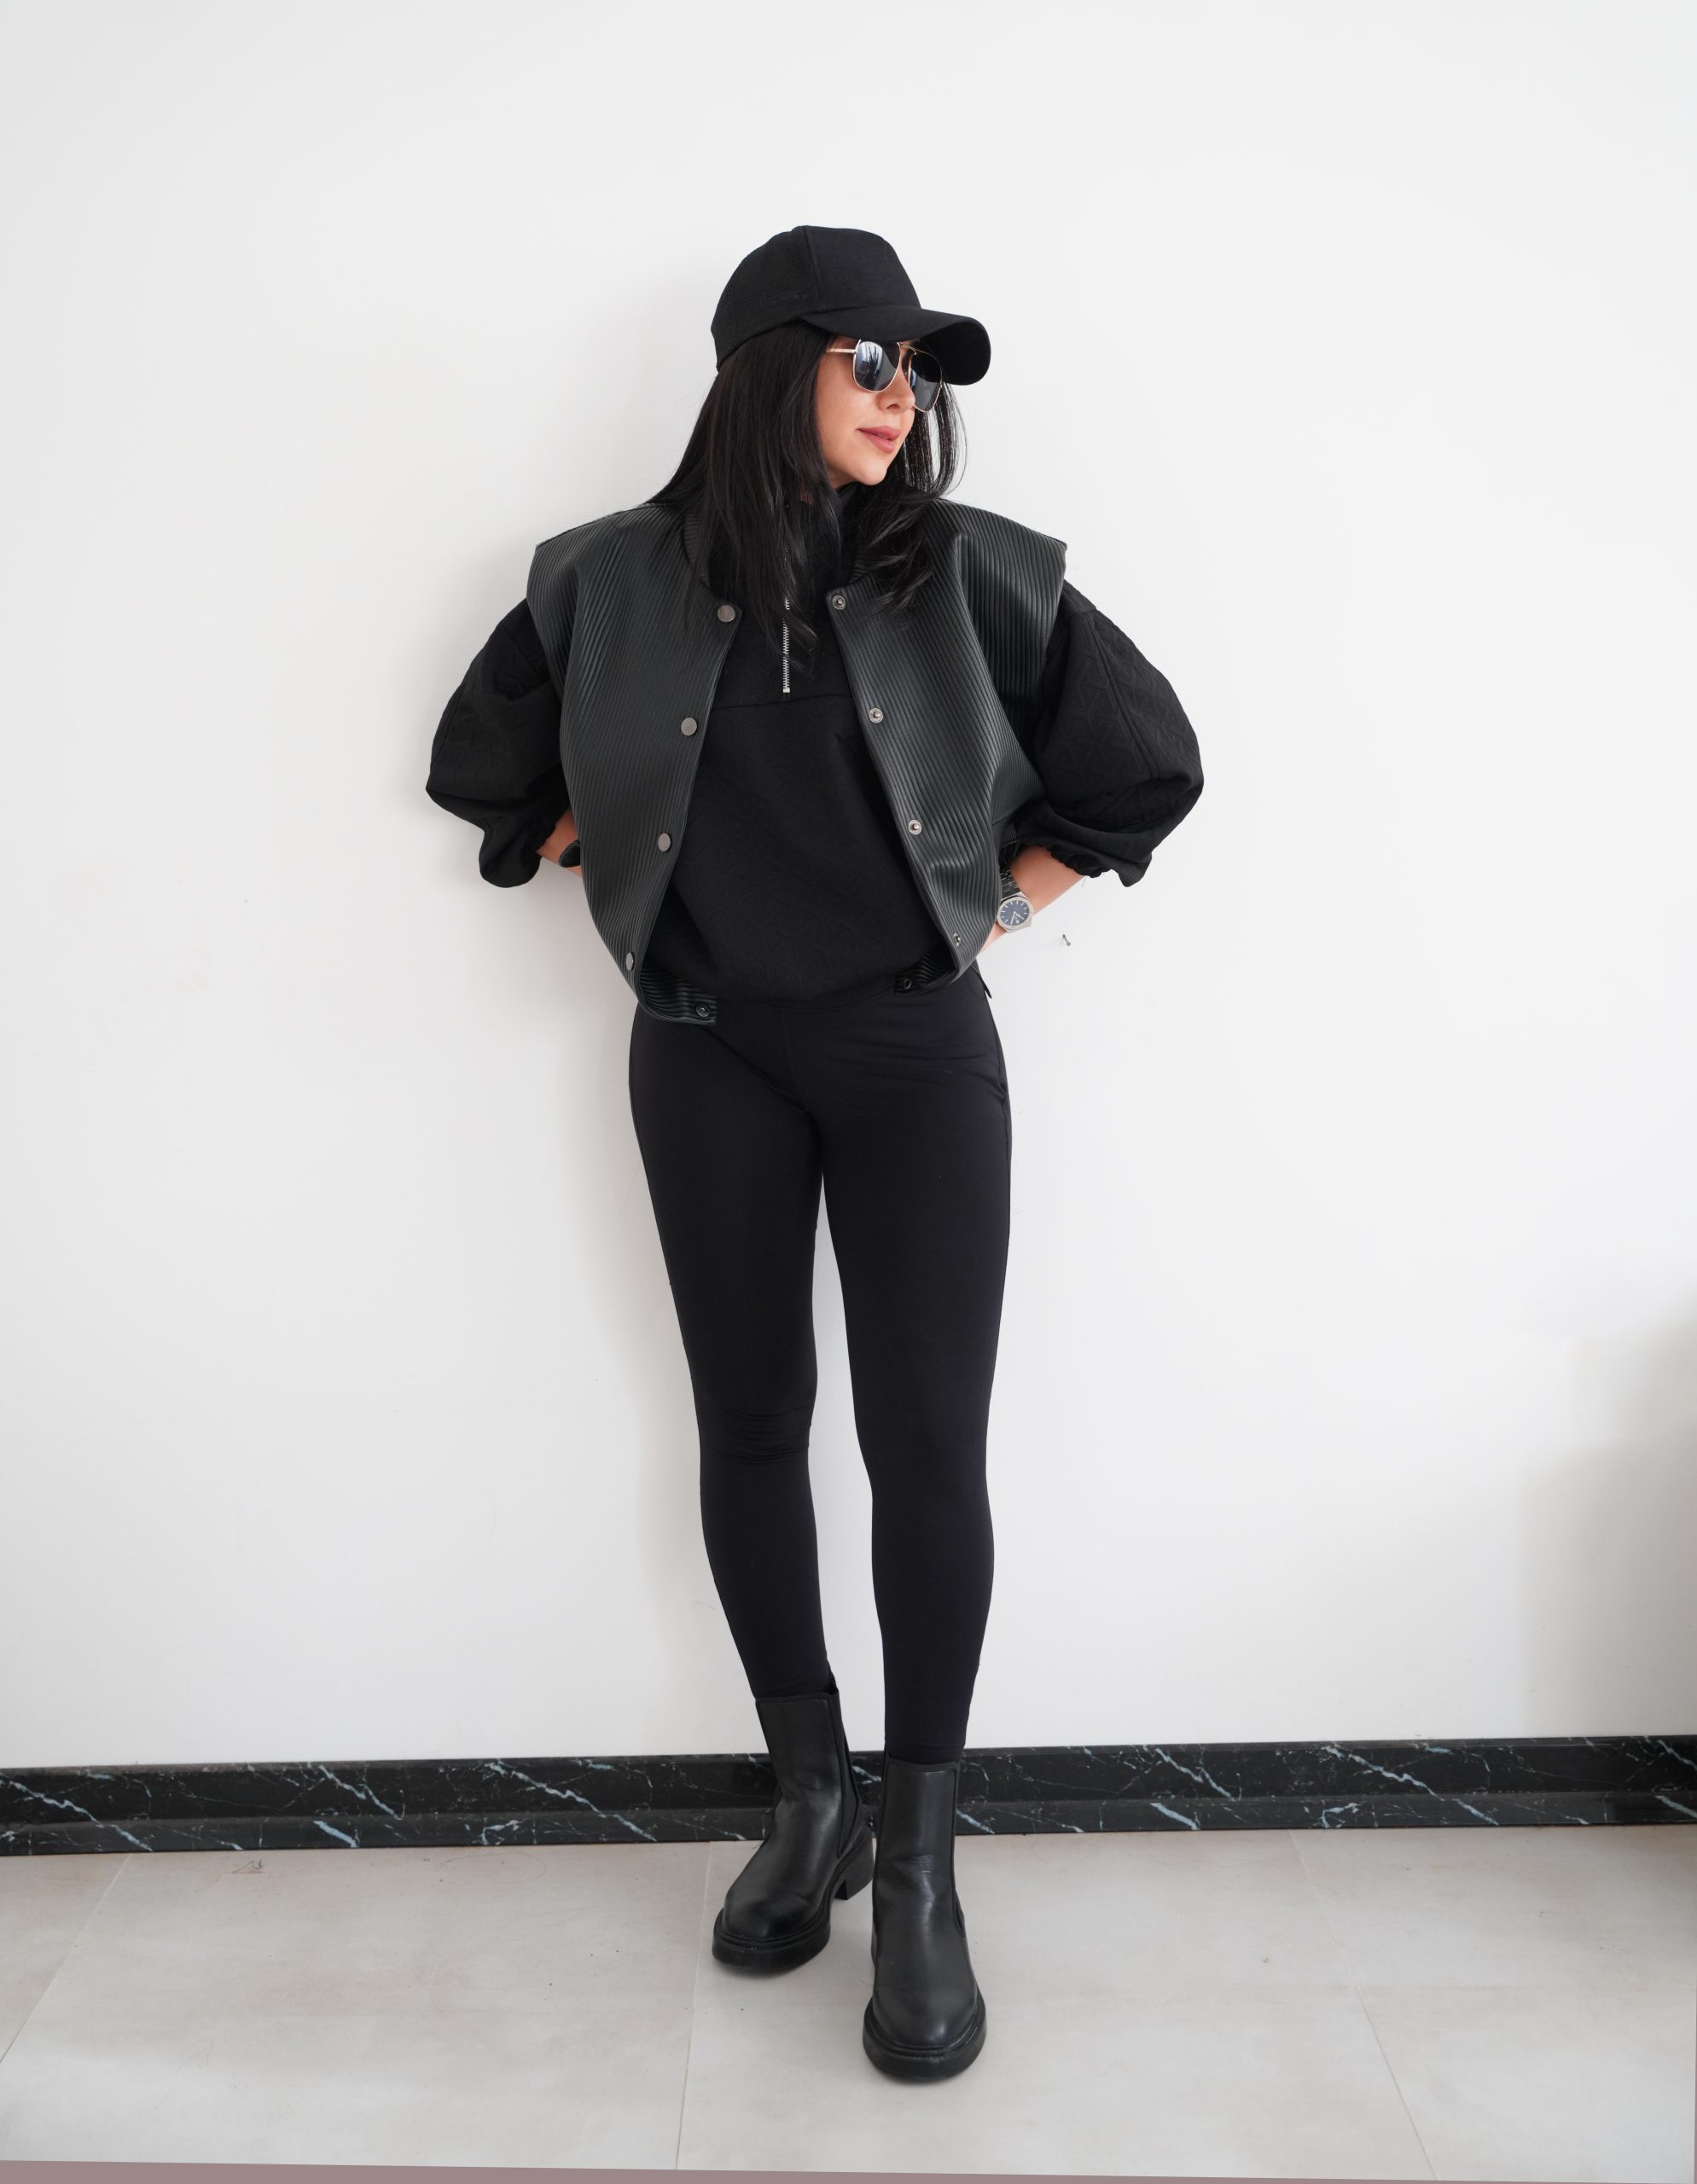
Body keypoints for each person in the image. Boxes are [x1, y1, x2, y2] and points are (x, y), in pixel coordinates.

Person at [427, 225, 1204, 2082]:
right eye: (868, 360)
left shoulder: (974, 571)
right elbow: (483, 769)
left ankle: (921, 1866)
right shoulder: (601, 578)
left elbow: (1147, 764)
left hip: (911, 1051)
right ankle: (812, 1798)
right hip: (705, 1053)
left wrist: (991, 910)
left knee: (925, 1442)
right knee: (750, 1424)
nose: (898, 398)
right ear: (765, 369)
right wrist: (599, 852)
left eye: (914, 371)